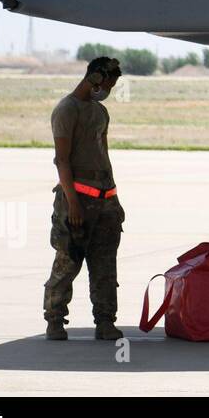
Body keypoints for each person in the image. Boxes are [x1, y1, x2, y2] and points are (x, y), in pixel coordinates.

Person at [44, 56, 125, 340]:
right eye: (109, 83)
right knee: (67, 264)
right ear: (95, 78)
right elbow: (62, 161)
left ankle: (105, 322)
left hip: (105, 201)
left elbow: (104, 156)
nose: (109, 90)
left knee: (105, 266)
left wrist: (114, 198)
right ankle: (55, 320)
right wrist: (74, 203)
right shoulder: (67, 110)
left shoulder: (100, 112)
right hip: (77, 201)